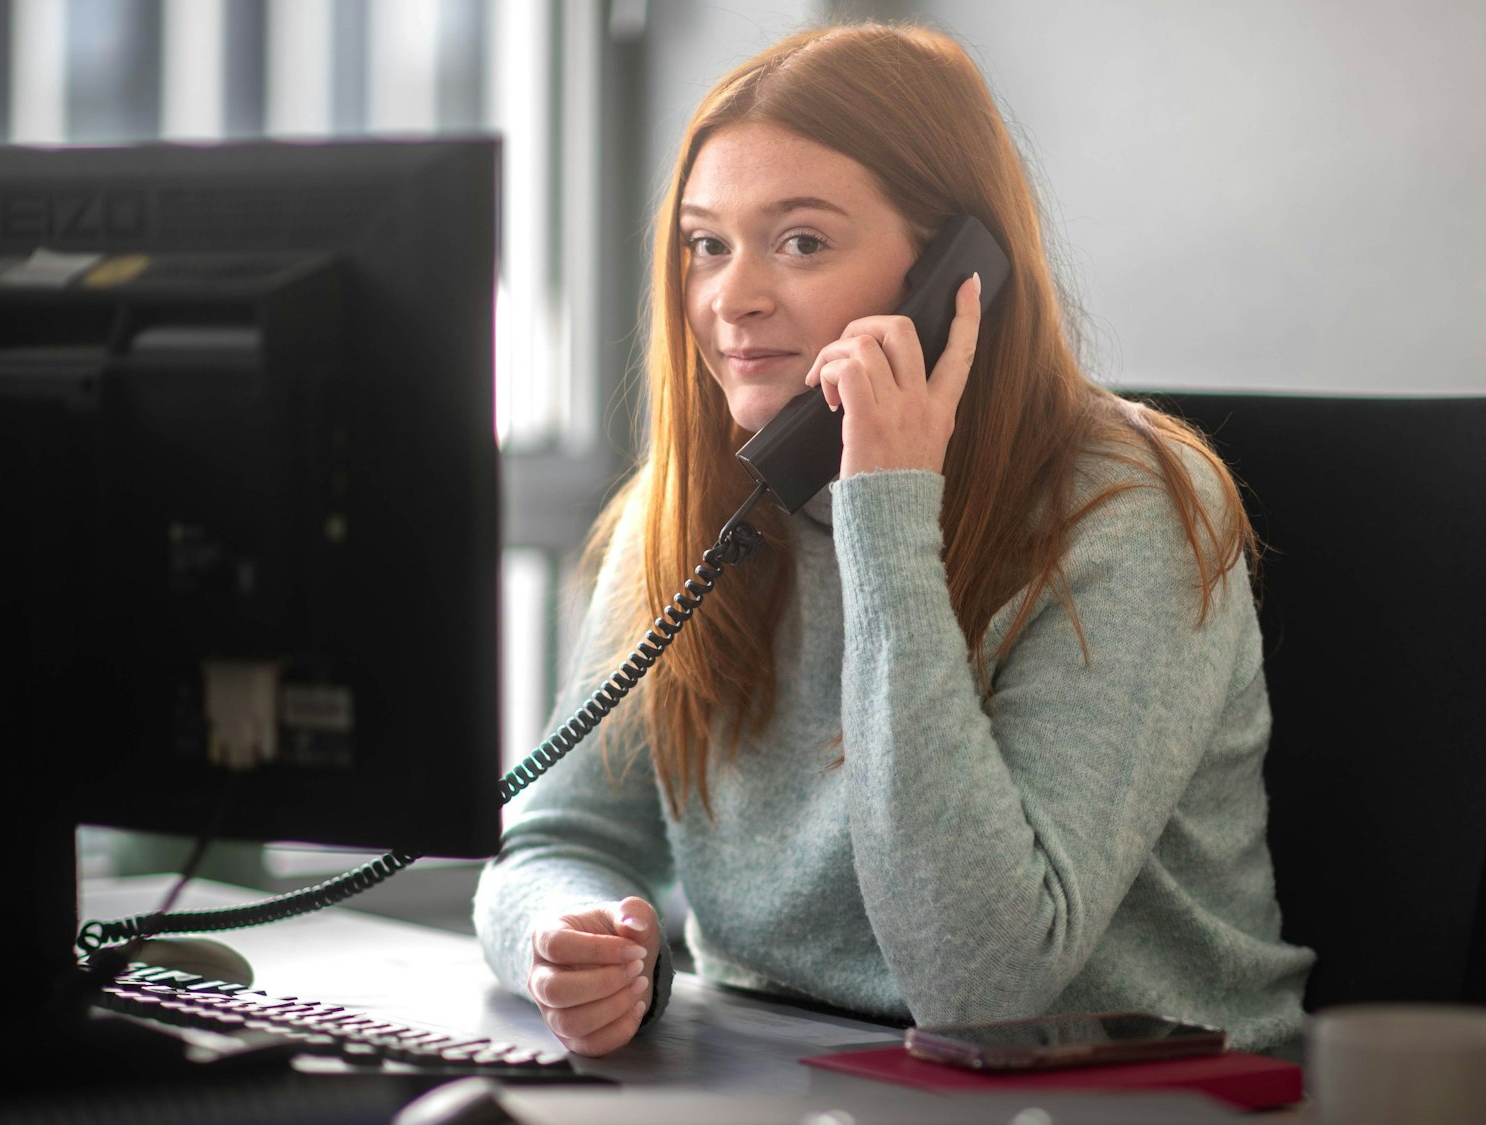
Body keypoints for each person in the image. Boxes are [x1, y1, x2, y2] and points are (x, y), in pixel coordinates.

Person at [473, 21, 1314, 1058]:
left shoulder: (1127, 508)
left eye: (801, 242)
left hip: (1123, 1090)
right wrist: (563, 937)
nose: (731, 297)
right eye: (706, 244)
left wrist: (886, 512)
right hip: (783, 1069)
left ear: (958, 276)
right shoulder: (693, 508)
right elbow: (559, 837)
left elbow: (983, 983)